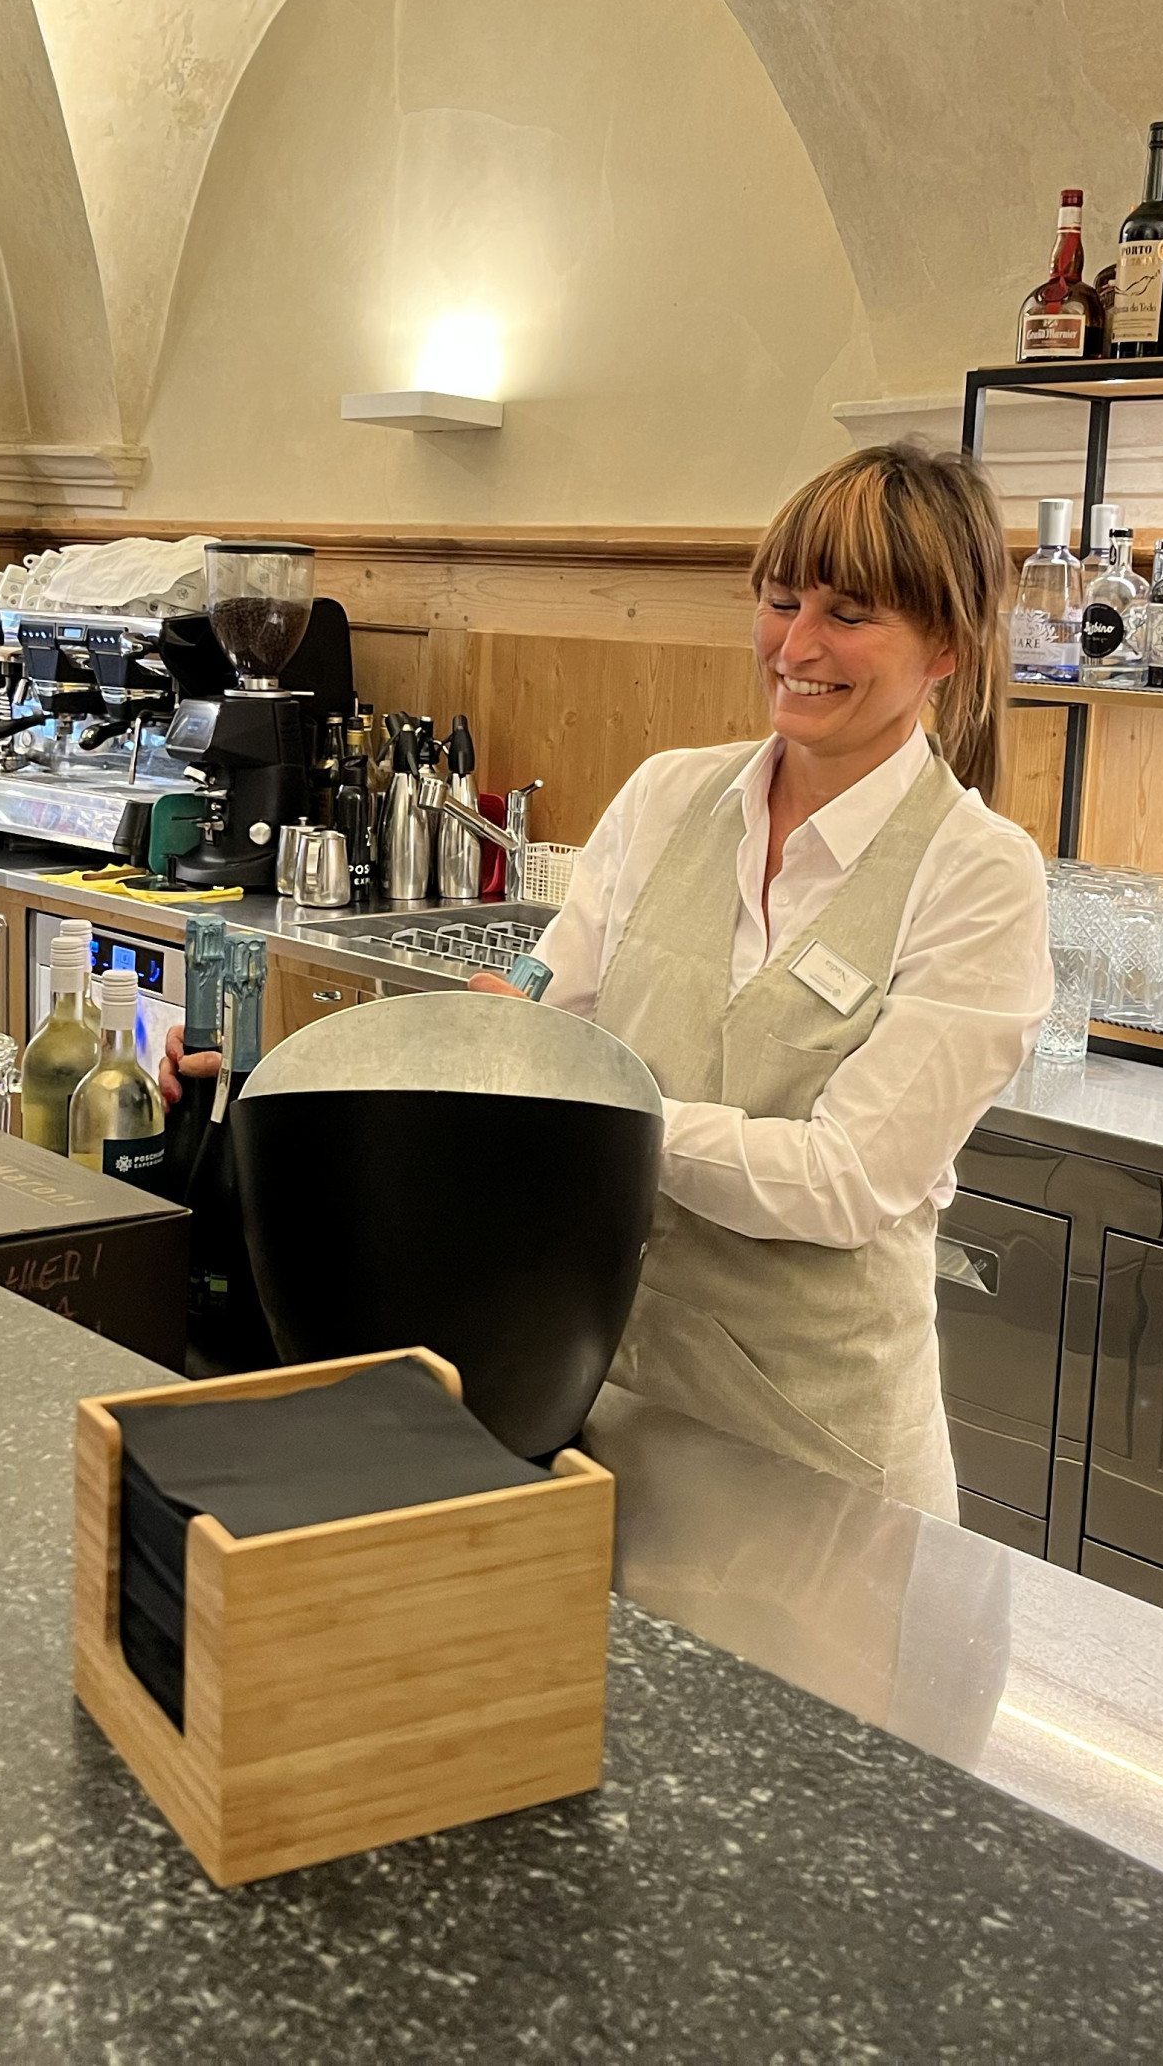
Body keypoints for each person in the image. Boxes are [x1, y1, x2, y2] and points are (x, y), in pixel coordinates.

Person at [161, 442, 1050, 1517]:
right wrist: (269, 1079)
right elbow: (530, 1038)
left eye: (849, 615)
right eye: (780, 602)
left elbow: (845, 1181)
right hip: (597, 1405)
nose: (797, 645)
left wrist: (602, 1117)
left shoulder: (978, 875)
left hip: (818, 1456)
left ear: (946, 645)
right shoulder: (667, 799)